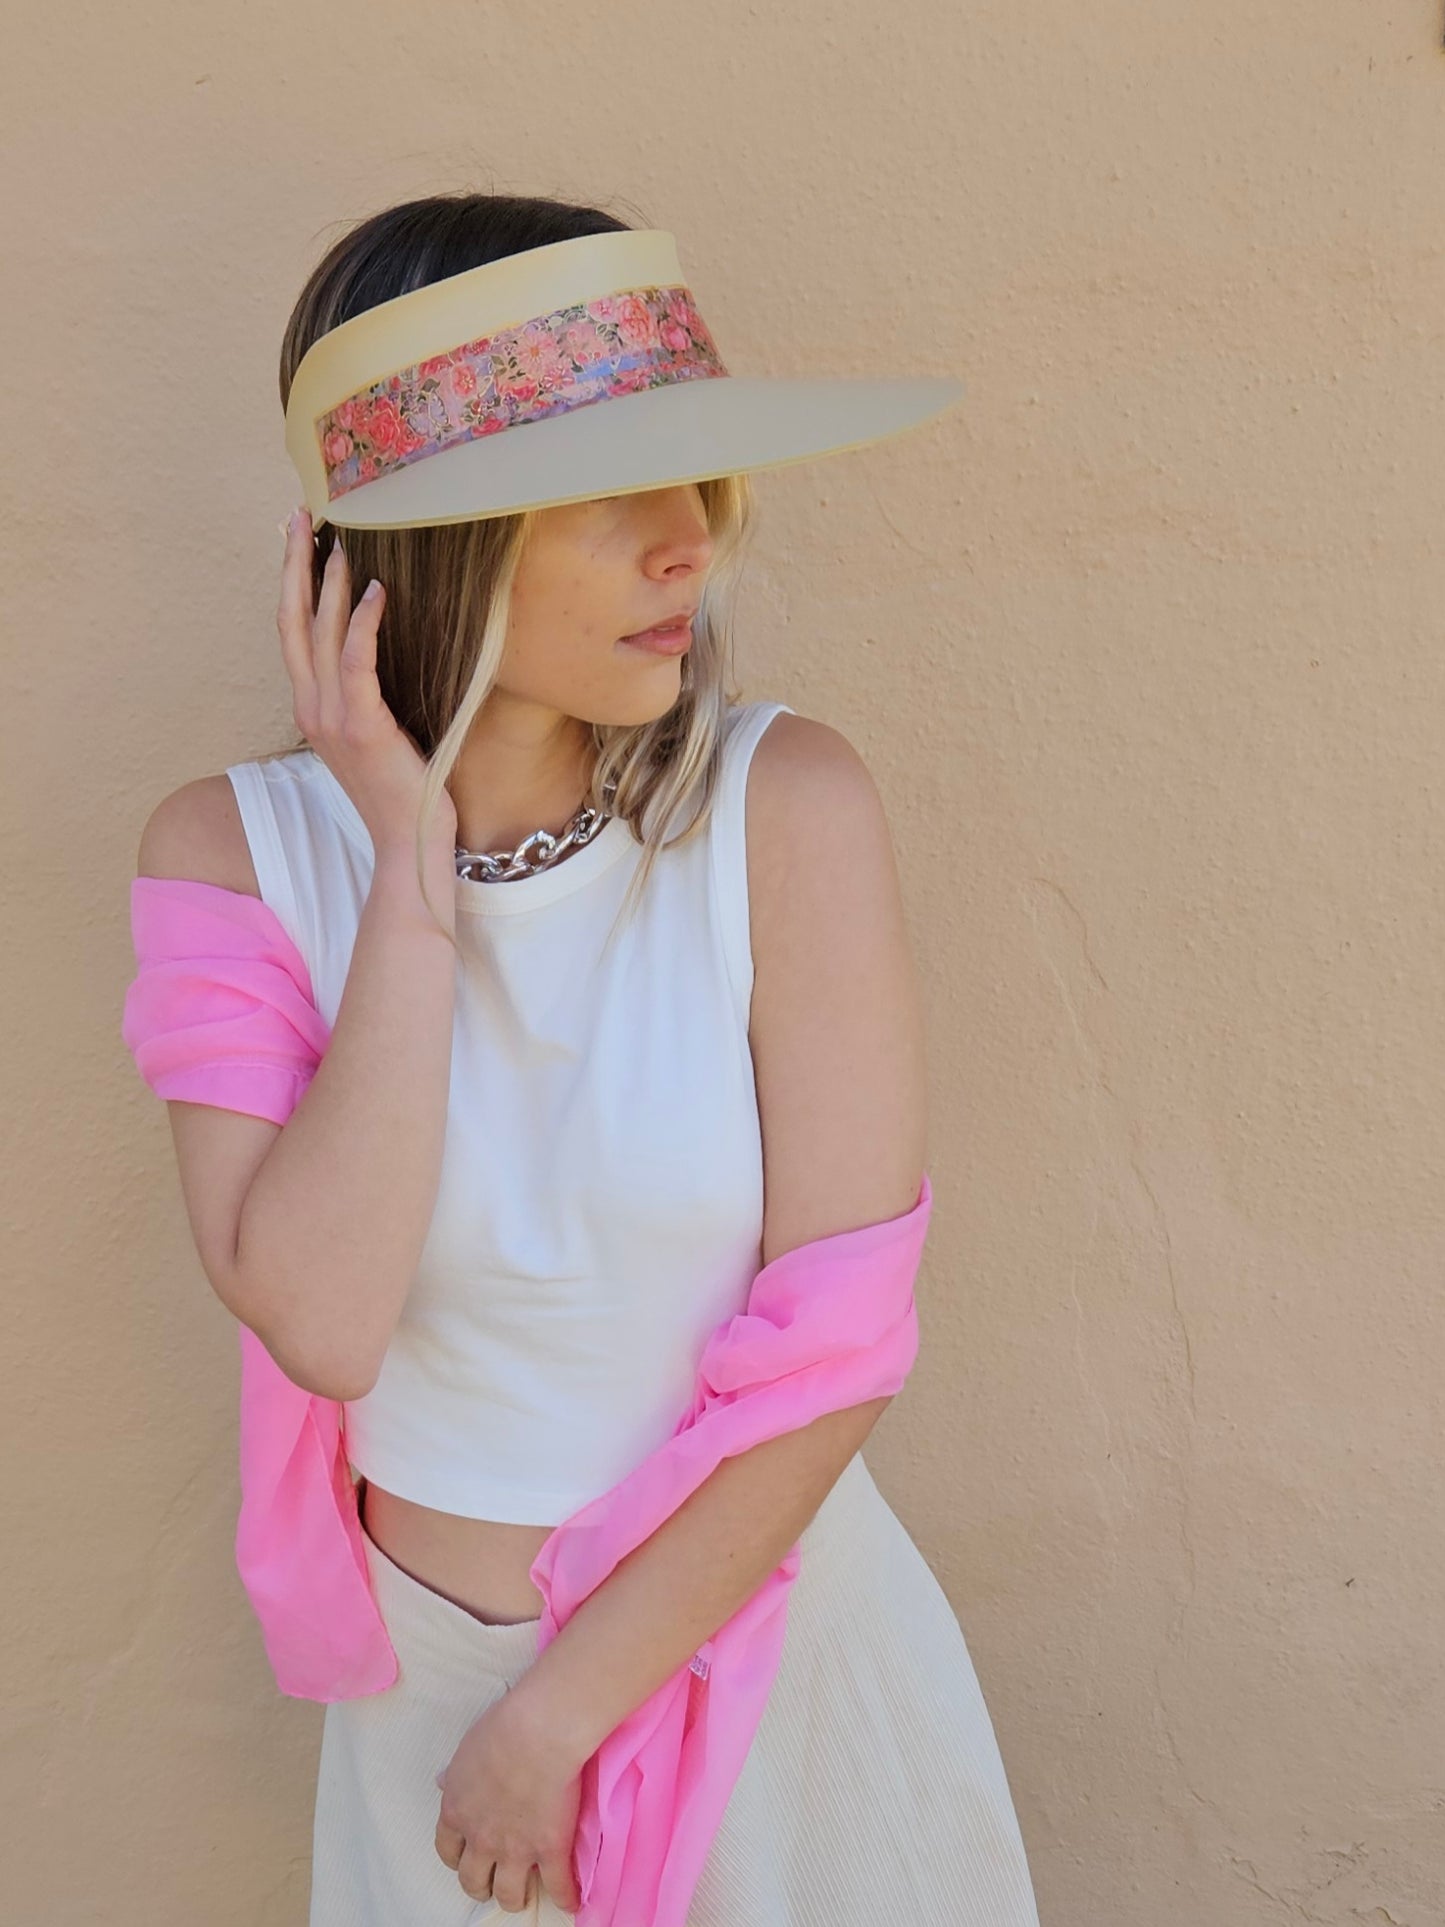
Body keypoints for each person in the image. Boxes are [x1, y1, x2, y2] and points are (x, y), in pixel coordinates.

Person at [125, 192, 1041, 1926]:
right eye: (613, 494)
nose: (690, 543)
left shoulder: (785, 815)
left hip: (755, 1670)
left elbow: (835, 1348)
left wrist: (557, 1718)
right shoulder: (233, 857)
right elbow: (320, 1320)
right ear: (442, 536)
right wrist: (406, 887)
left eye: (698, 484)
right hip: (434, 1728)